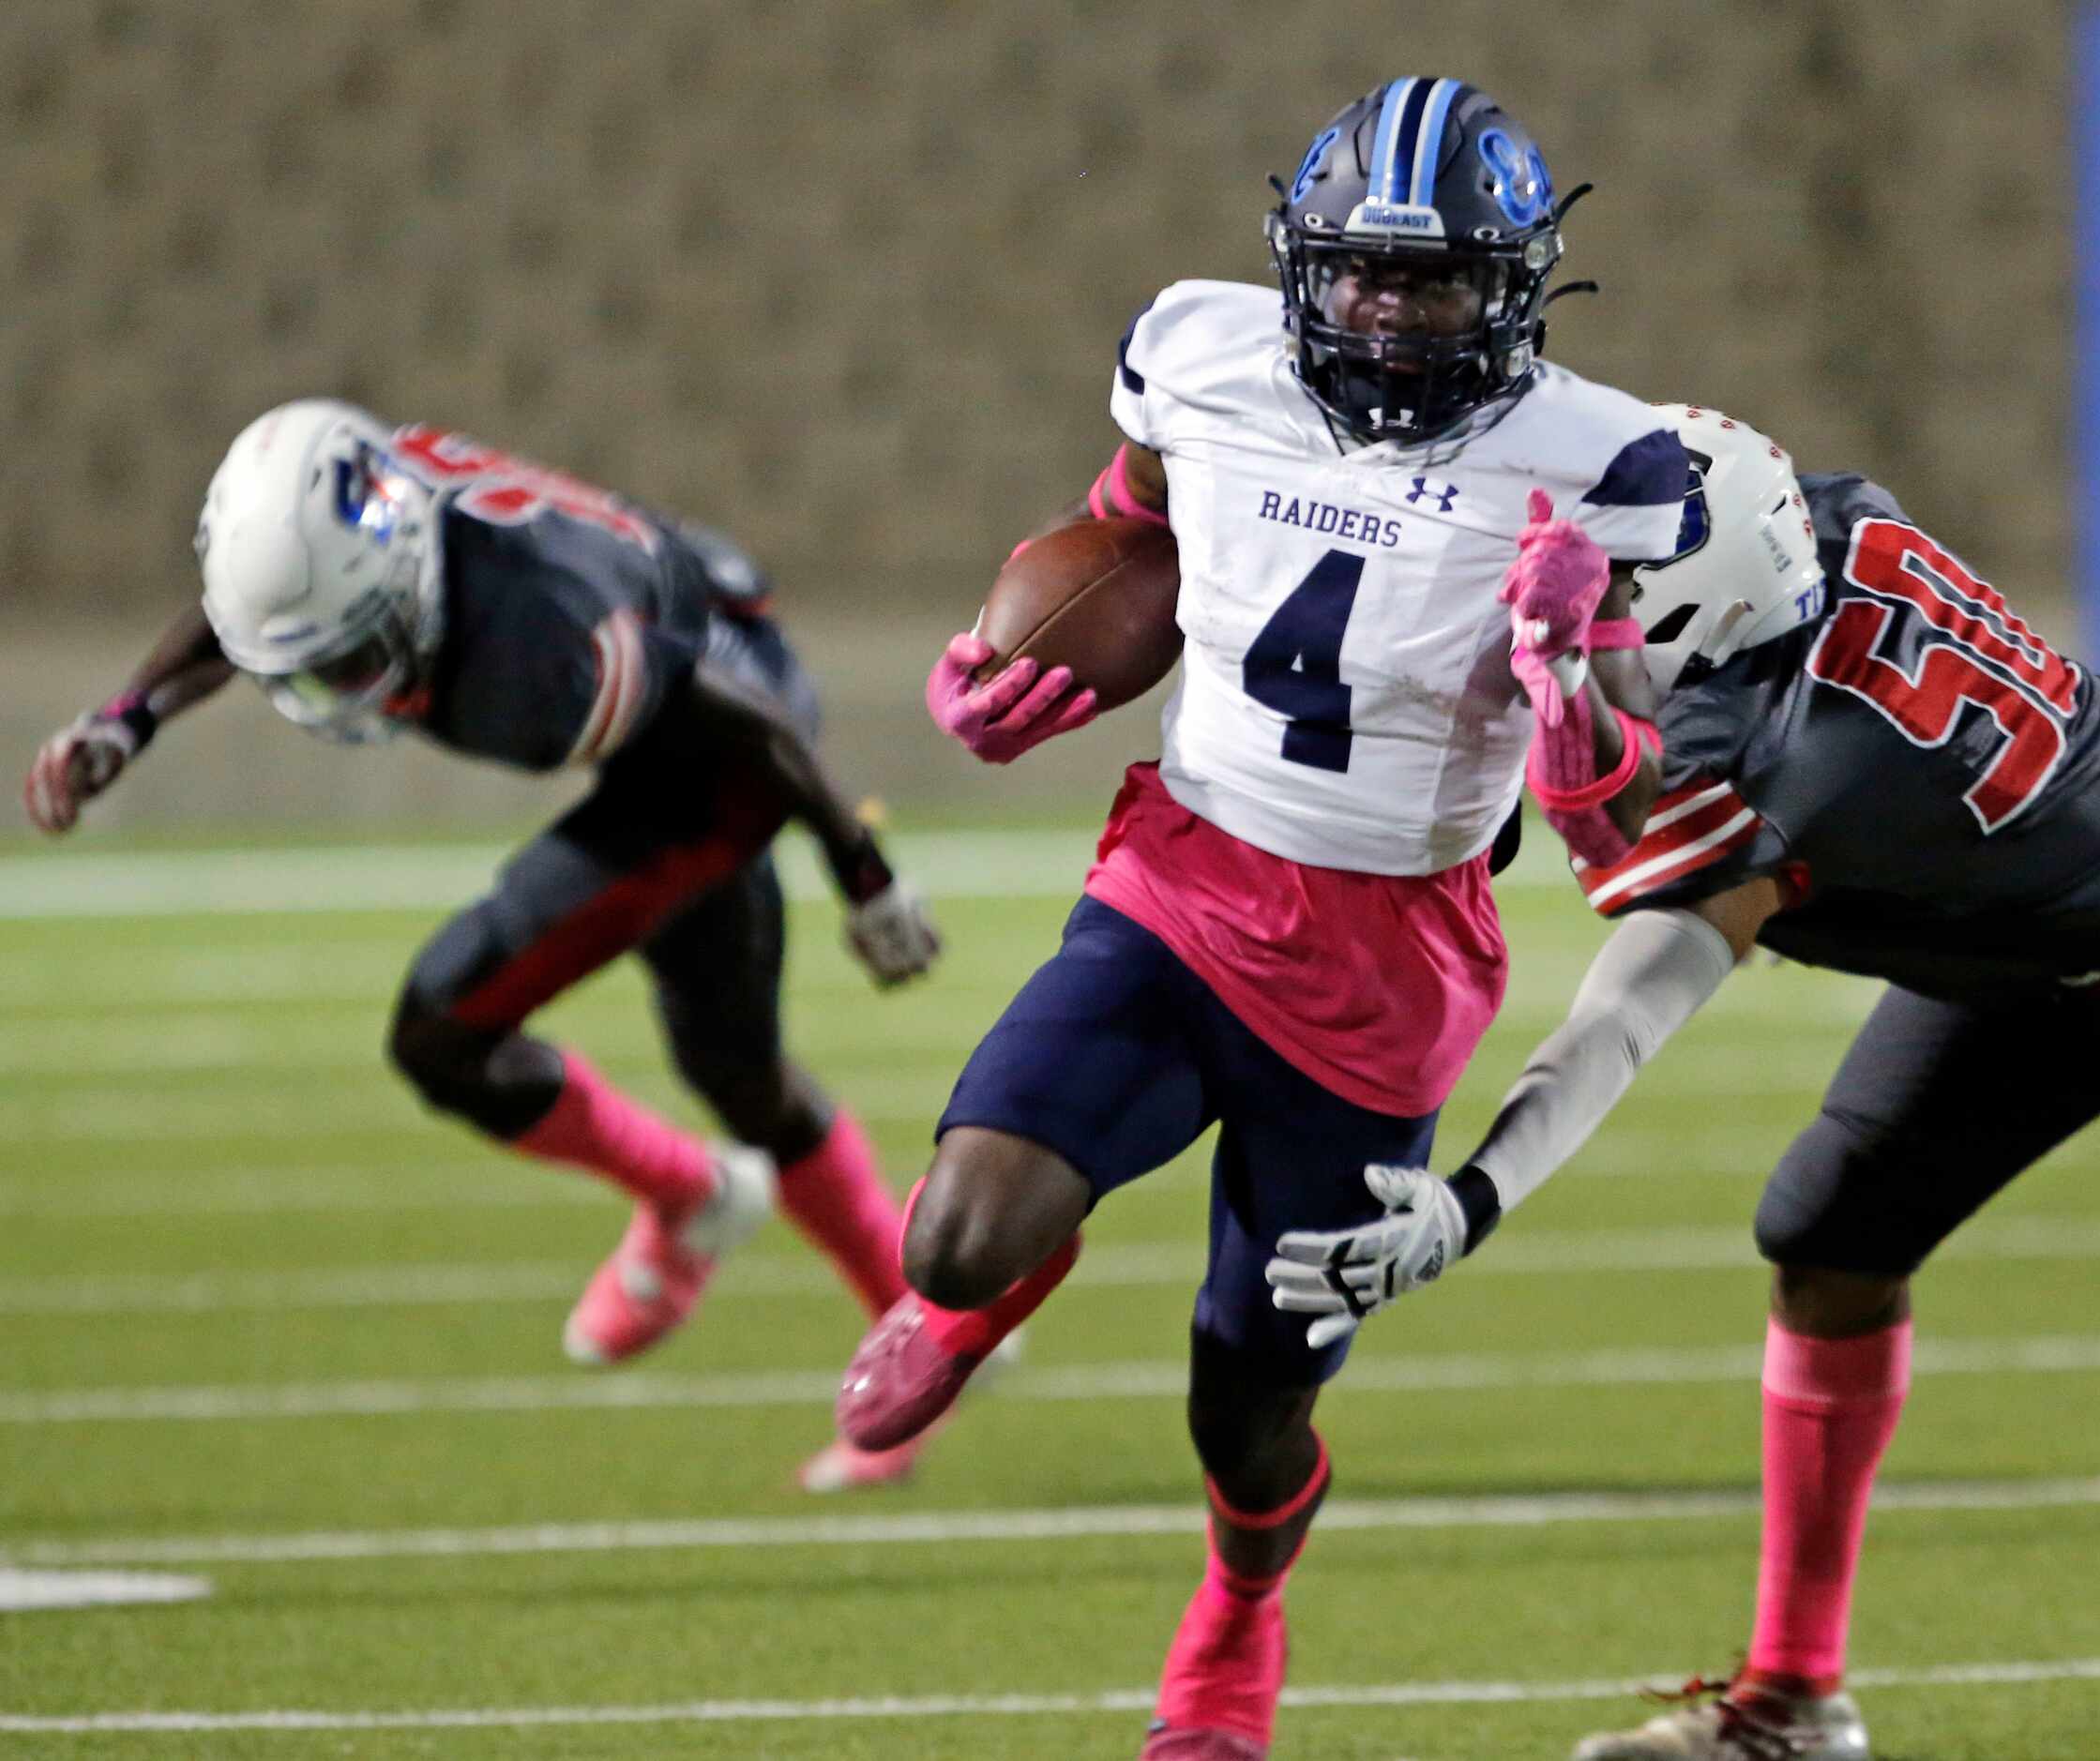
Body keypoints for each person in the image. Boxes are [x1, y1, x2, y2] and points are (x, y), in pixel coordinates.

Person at [1262, 403, 2100, 1760]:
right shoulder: (1791, 533)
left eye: (1607, 615)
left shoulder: (1789, 759)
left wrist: (1473, 1196)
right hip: (2037, 950)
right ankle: (1790, 1699)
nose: (1565, 641)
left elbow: (1620, 1015)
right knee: (1827, 1240)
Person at [833, 80, 1692, 1760]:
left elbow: (1637, 819)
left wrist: (1580, 712)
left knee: (1248, 1401)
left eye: (1430, 281)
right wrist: (1018, 671)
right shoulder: (1200, 351)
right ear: (1303, 266)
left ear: (1511, 290)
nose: (1384, 312)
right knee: (953, 1229)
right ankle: (975, 1294)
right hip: (1183, 880)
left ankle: (1237, 1605)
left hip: (1392, 964)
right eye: (1360, 276)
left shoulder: (1610, 469)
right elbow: (1131, 542)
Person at [23, 399, 945, 1493]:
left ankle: (706, 1206)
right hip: (670, 658)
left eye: (356, 650)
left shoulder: (543, 646)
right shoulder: (355, 521)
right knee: (734, 1070)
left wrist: (863, 871)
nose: (345, 685)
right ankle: (910, 1314)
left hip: (721, 743)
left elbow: (746, 727)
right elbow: (248, 615)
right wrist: (125, 717)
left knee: (444, 1028)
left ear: (402, 571)